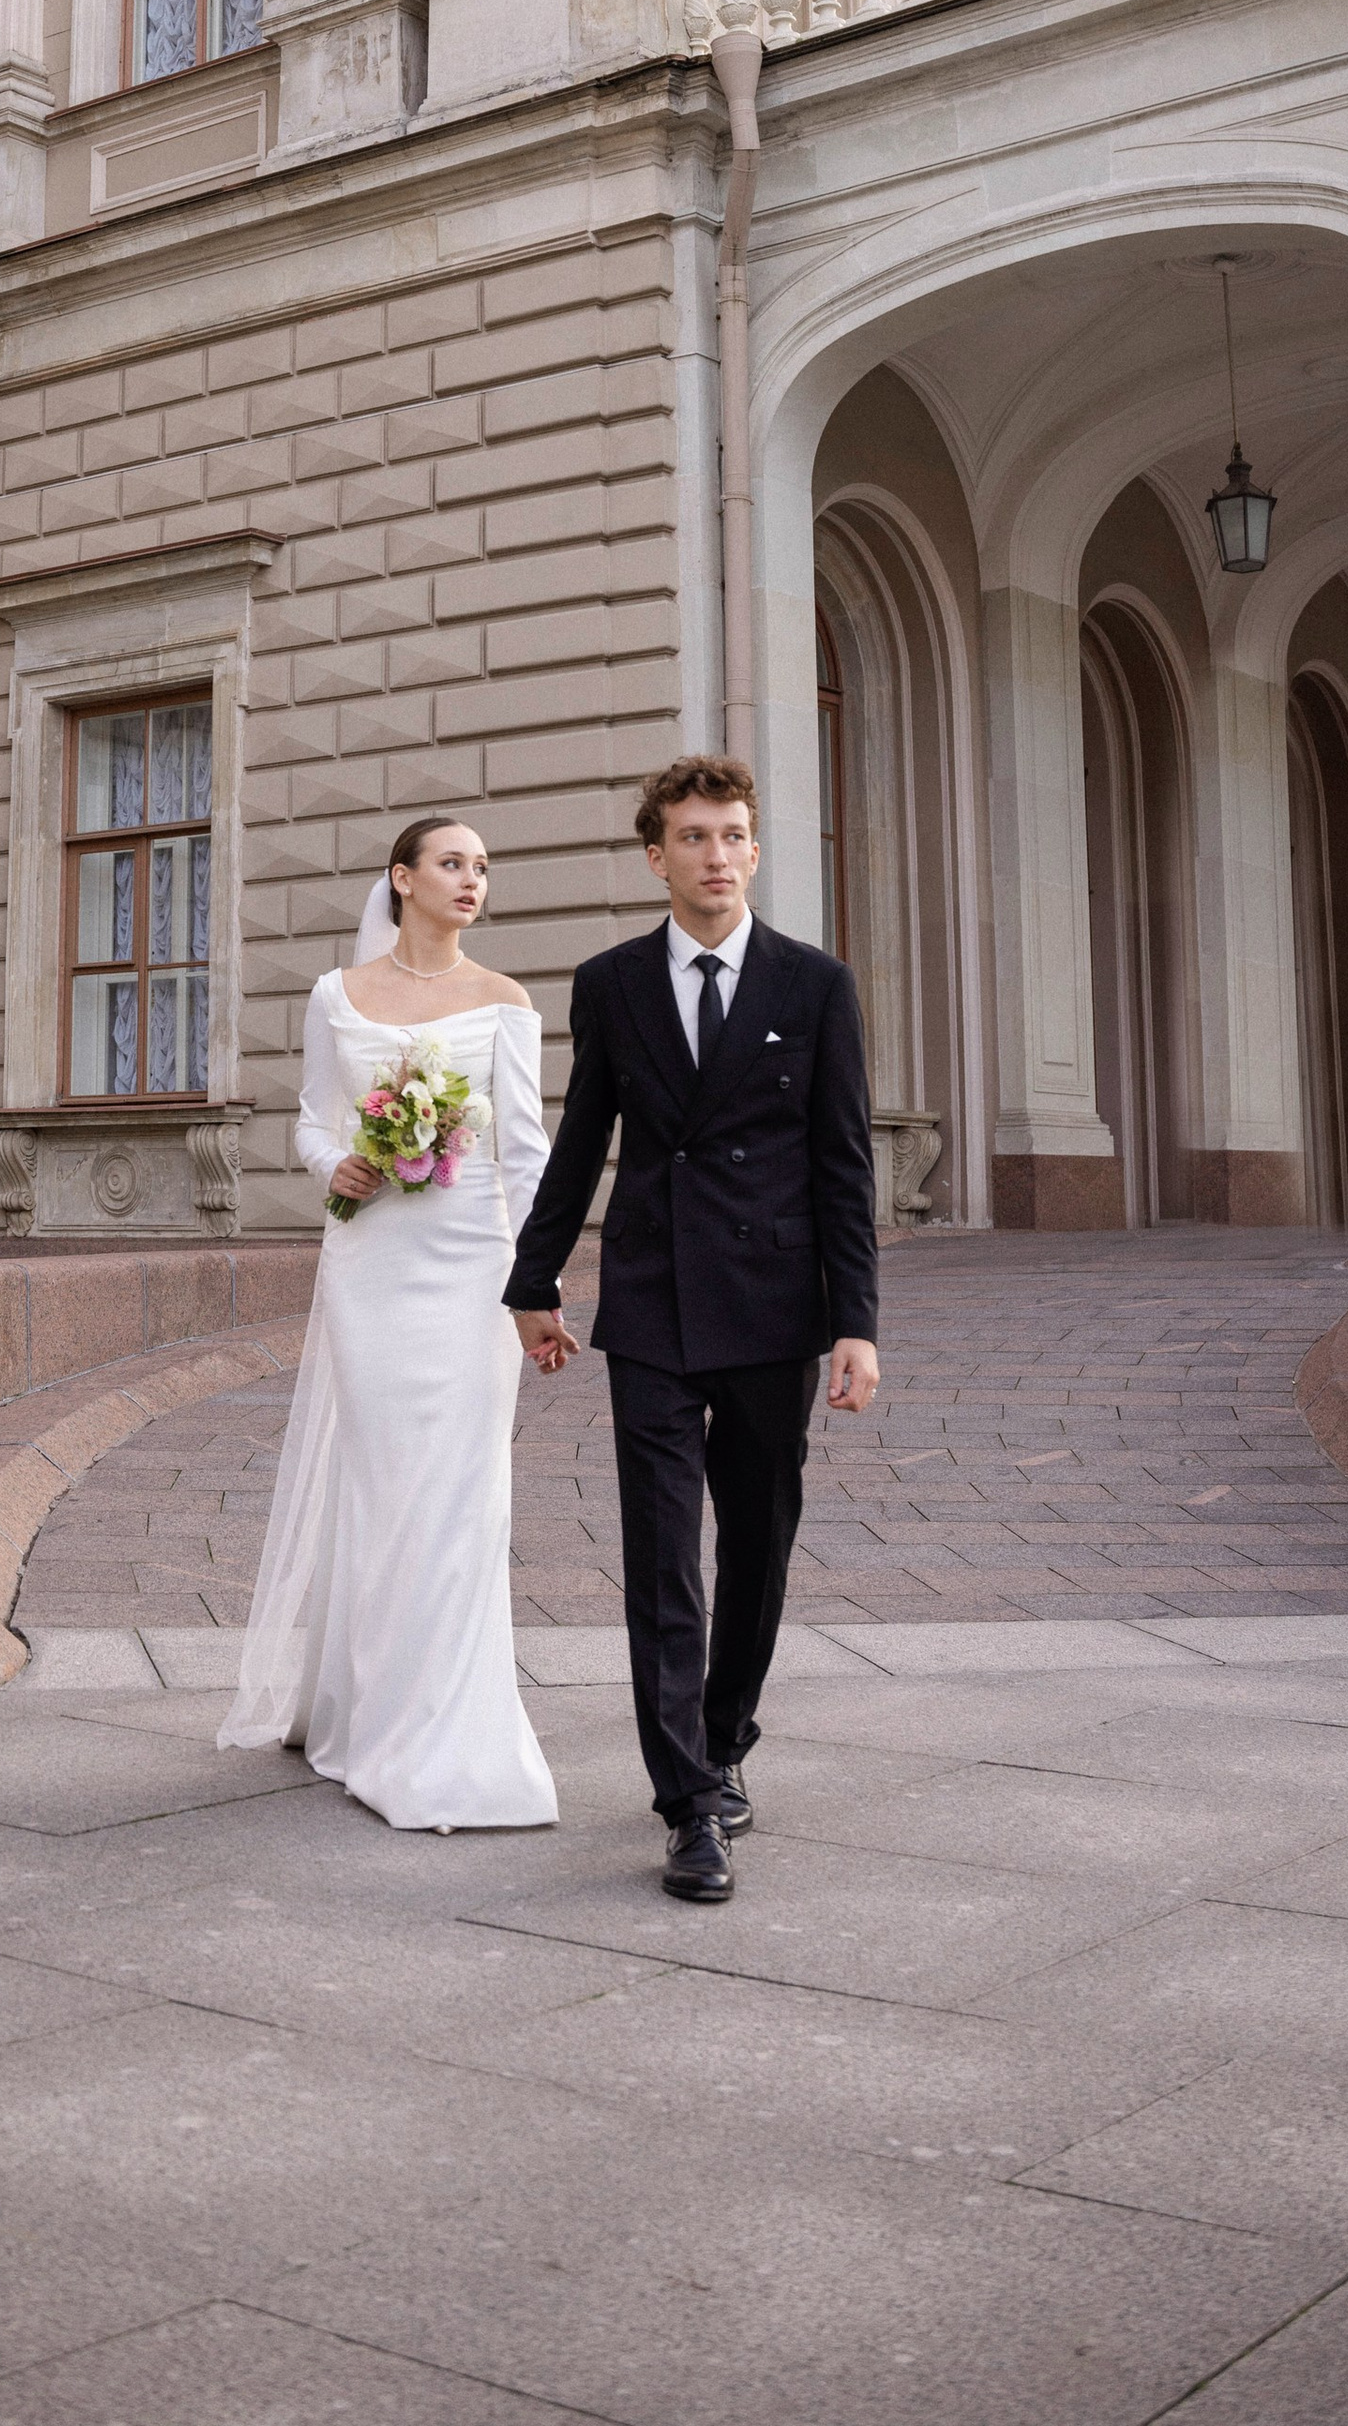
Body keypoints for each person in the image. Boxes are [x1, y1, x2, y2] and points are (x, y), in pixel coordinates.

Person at [505, 756, 880, 1906]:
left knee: (757, 1544)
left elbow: (842, 1164)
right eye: (692, 836)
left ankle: (723, 1742)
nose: (714, 855)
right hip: (655, 1302)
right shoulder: (611, 983)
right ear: (655, 855)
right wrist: (535, 1278)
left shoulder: (813, 985)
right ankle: (686, 1803)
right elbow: (583, 1142)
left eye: (731, 836)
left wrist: (855, 1325)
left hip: (774, 1308)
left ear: (753, 852)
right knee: (662, 1555)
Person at [219, 815, 558, 1829]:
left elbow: (529, 1154)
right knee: (378, 1484)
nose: (472, 880)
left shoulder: (506, 1002)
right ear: (401, 878)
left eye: (483, 867)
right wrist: (340, 1167)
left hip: (471, 1268)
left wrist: (533, 1284)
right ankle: (365, 1709)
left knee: (463, 1491)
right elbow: (311, 1119)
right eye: (452, 863)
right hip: (371, 1260)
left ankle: (453, 1730)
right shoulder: (337, 995)